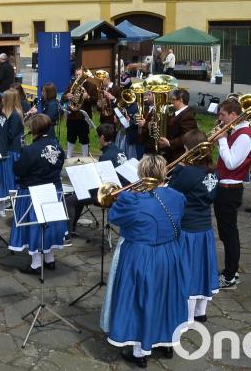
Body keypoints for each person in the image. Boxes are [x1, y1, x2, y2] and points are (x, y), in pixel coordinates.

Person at [100, 154, 188, 368]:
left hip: (140, 254)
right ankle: (167, 342)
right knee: (165, 297)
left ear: (141, 174)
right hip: (169, 253)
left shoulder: (132, 199)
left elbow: (114, 217)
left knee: (140, 299)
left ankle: (140, 351)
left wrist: (127, 194)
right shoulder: (177, 196)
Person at [167, 129, 219, 324]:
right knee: (202, 269)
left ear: (190, 150)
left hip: (188, 229)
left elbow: (171, 191)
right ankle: (200, 311)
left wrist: (179, 167)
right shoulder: (214, 172)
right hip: (204, 228)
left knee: (187, 271)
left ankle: (186, 317)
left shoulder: (188, 173)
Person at [9, 114, 66, 273]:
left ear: (34, 129)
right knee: (50, 224)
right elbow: (60, 162)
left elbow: (19, 170)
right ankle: (50, 259)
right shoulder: (57, 145)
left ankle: (36, 264)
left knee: (36, 227)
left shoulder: (30, 150)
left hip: (34, 193)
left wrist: (21, 157)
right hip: (53, 191)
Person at [213, 99, 251, 290]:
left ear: (233, 115)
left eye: (222, 114)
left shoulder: (245, 136)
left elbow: (231, 163)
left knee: (229, 234)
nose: (220, 118)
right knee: (225, 232)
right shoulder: (237, 132)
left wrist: (222, 138)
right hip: (224, 187)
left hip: (230, 189)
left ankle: (230, 276)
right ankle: (230, 272)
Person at [64, 123, 128, 237]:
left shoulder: (106, 156)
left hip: (110, 195)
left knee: (71, 199)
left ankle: (67, 234)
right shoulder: (120, 151)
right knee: (80, 196)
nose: (98, 140)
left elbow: (101, 182)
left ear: (102, 137)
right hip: (122, 191)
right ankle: (72, 228)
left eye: (98, 137)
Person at [62, 67, 98, 158]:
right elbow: (63, 98)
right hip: (72, 117)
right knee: (70, 138)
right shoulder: (71, 85)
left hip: (83, 117)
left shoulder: (91, 86)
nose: (78, 77)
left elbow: (95, 101)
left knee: (84, 139)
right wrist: (67, 96)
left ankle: (85, 157)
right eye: (76, 75)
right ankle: (68, 156)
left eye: (80, 75)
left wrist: (88, 97)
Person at [156, 88, 198, 162]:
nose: (171, 102)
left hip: (179, 155)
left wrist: (169, 143)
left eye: (173, 99)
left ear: (180, 100)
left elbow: (187, 136)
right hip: (172, 153)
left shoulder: (187, 116)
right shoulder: (178, 113)